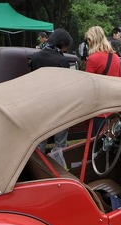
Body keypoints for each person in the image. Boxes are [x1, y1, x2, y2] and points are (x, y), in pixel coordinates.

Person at [31, 29, 73, 157]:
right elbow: (67, 86)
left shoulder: (35, 57)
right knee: (60, 143)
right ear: (62, 44)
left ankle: (39, 168)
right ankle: (57, 168)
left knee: (39, 142)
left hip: (39, 105)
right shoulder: (62, 61)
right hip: (58, 106)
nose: (65, 49)